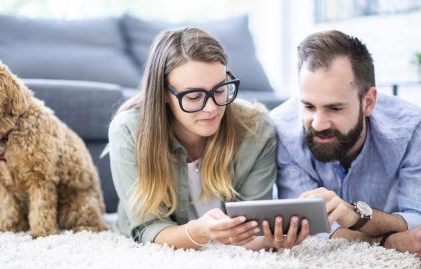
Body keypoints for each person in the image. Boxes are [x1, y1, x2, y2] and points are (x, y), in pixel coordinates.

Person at [108, 27, 309, 250]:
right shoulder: (128, 130)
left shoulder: (256, 130)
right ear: (164, 93)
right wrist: (198, 232)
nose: (212, 108)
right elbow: (147, 229)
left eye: (221, 89)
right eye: (194, 96)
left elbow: (254, 228)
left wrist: (269, 239)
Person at [271, 30, 421, 255]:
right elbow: (310, 229)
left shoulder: (411, 129)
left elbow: (417, 222)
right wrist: (389, 242)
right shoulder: (282, 129)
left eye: (335, 108)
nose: (318, 124)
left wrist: (353, 215)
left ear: (368, 102)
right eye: (309, 107)